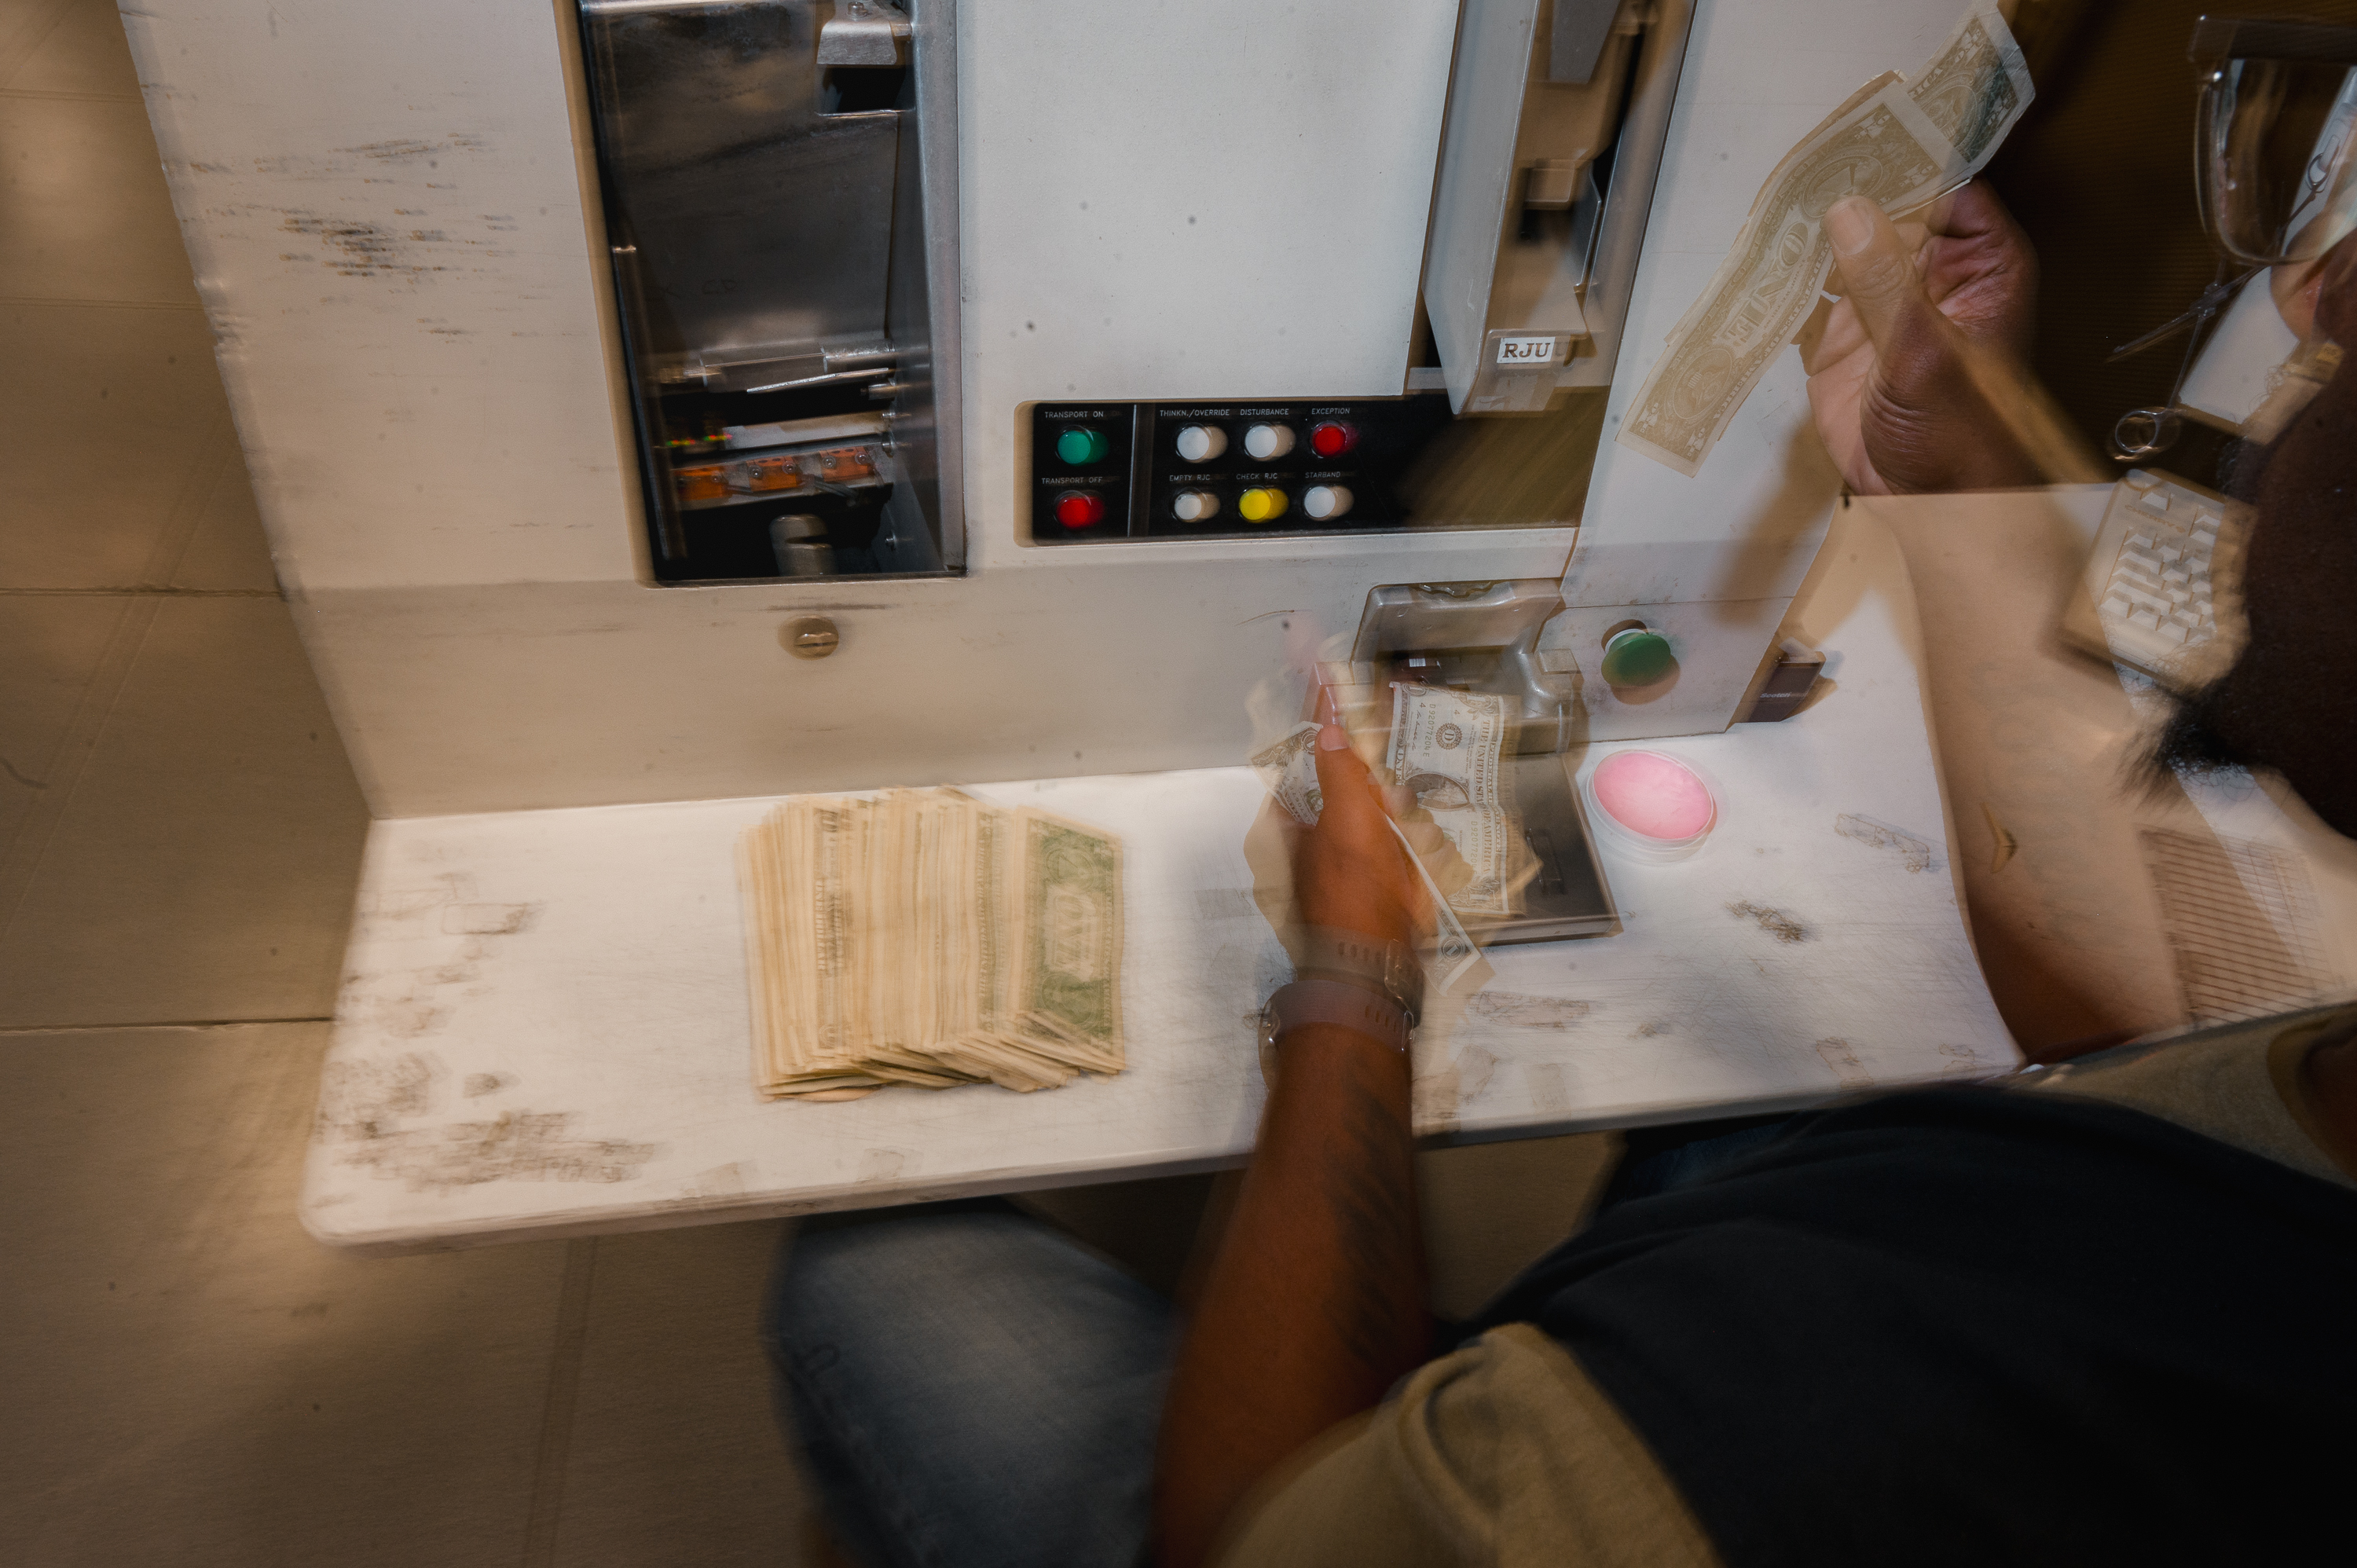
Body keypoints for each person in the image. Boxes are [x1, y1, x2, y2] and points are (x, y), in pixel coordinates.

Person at [764, 176, 2357, 1568]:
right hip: (1734, 1332)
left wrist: (1353, 979)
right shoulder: (2285, 1089)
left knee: (869, 1264)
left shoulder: (1834, 1451)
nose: (2313, 305)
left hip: (1430, 1486)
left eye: (2349, 369)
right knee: (1788, 1108)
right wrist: (1950, 458)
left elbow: (1261, 1530)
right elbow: (2137, 1009)